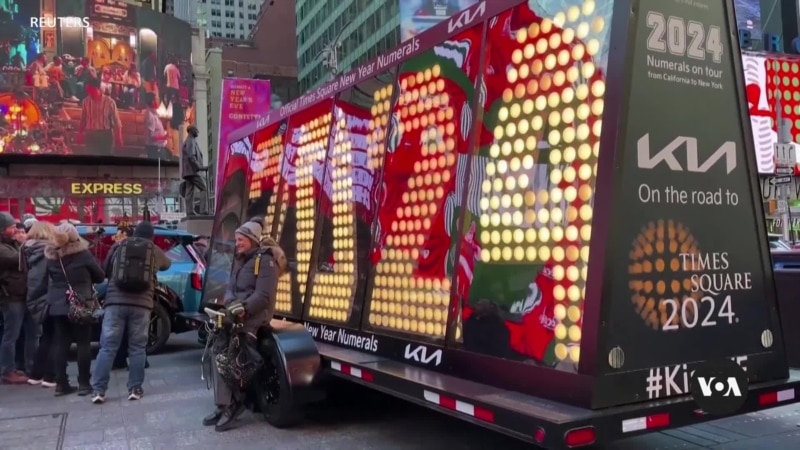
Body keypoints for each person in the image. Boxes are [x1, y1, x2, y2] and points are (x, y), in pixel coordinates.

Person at [203, 218, 287, 432]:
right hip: (237, 314)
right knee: (217, 350)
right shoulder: (241, 260)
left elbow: (263, 296)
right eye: (236, 239)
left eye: (240, 239)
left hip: (254, 317)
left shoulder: (265, 261)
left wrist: (243, 308)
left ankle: (235, 402)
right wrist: (231, 304)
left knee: (232, 355)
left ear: (251, 239)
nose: (237, 243)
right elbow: (230, 288)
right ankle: (224, 404)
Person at [90, 221, 171, 404]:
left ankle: (98, 390)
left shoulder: (119, 246)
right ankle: (135, 388)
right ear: (151, 235)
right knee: (137, 348)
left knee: (108, 347)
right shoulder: (153, 249)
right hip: (141, 305)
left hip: (115, 303)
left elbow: (105, 270)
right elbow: (167, 264)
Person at [30, 222, 105, 396]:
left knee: (61, 343)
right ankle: (84, 383)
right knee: (83, 343)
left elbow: (44, 279)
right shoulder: (83, 254)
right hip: (80, 303)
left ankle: (61, 384)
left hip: (57, 304)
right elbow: (100, 276)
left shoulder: (51, 255)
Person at [21, 221, 57, 387]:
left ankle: (36, 374)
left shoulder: (26, 249)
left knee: (45, 336)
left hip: (33, 296)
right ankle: (50, 376)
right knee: (53, 337)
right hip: (47, 297)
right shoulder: (47, 251)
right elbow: (49, 278)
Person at [0, 213, 31, 384]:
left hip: (18, 294)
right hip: (10, 297)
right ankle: (7, 371)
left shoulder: (9, 244)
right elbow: (16, 259)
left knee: (16, 334)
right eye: (11, 227)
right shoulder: (4, 249)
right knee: (10, 335)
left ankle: (16, 365)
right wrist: (24, 244)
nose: (15, 230)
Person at [77, 77, 123, 156]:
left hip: (105, 134)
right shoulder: (85, 101)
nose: (87, 91)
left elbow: (116, 120)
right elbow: (83, 119)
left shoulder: (110, 102)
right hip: (90, 134)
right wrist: (80, 133)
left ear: (96, 88)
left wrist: (119, 136)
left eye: (89, 89)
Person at [180, 125, 209, 216]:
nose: (198, 132)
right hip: (192, 171)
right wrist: (199, 167)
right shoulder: (191, 141)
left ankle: (190, 211)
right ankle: (203, 210)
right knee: (203, 188)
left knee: (189, 190)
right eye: (196, 130)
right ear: (192, 131)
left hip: (188, 172)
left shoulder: (188, 141)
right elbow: (191, 156)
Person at [143, 92, 168, 159]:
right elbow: (151, 136)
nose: (158, 101)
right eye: (156, 100)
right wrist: (164, 137)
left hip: (158, 148)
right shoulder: (149, 116)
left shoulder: (154, 113)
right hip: (154, 149)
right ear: (152, 102)